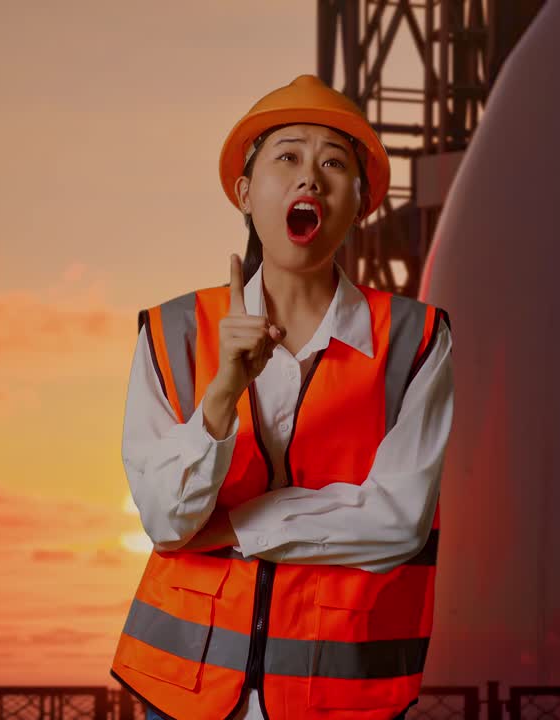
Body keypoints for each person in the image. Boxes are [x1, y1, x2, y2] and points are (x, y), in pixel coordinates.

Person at [109, 74, 454, 720]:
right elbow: (165, 518)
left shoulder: (415, 341)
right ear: (245, 193)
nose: (309, 179)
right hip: (183, 690)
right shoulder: (172, 332)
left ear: (362, 201)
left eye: (333, 163)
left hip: (342, 696)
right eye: (287, 157)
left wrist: (239, 525)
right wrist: (221, 397)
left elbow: (397, 520)